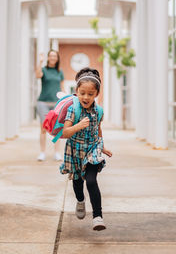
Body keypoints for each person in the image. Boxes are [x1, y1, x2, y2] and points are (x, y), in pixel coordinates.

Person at [60, 67, 112, 231]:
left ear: (96, 94)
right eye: (82, 93)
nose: (86, 97)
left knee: (91, 180)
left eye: (90, 94)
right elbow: (65, 132)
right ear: (77, 91)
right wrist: (79, 125)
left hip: (92, 150)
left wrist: (102, 146)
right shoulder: (73, 109)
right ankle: (80, 201)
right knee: (77, 182)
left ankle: (98, 216)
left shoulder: (99, 111)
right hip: (75, 150)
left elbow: (98, 129)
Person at [36, 50, 65, 161]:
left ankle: (57, 153)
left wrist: (65, 100)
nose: (53, 58)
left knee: (57, 129)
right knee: (43, 129)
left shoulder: (59, 72)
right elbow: (38, 75)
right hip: (43, 102)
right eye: (51, 56)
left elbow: (62, 87)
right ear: (48, 58)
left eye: (55, 56)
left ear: (57, 59)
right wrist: (40, 62)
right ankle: (42, 153)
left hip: (56, 104)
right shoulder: (44, 70)